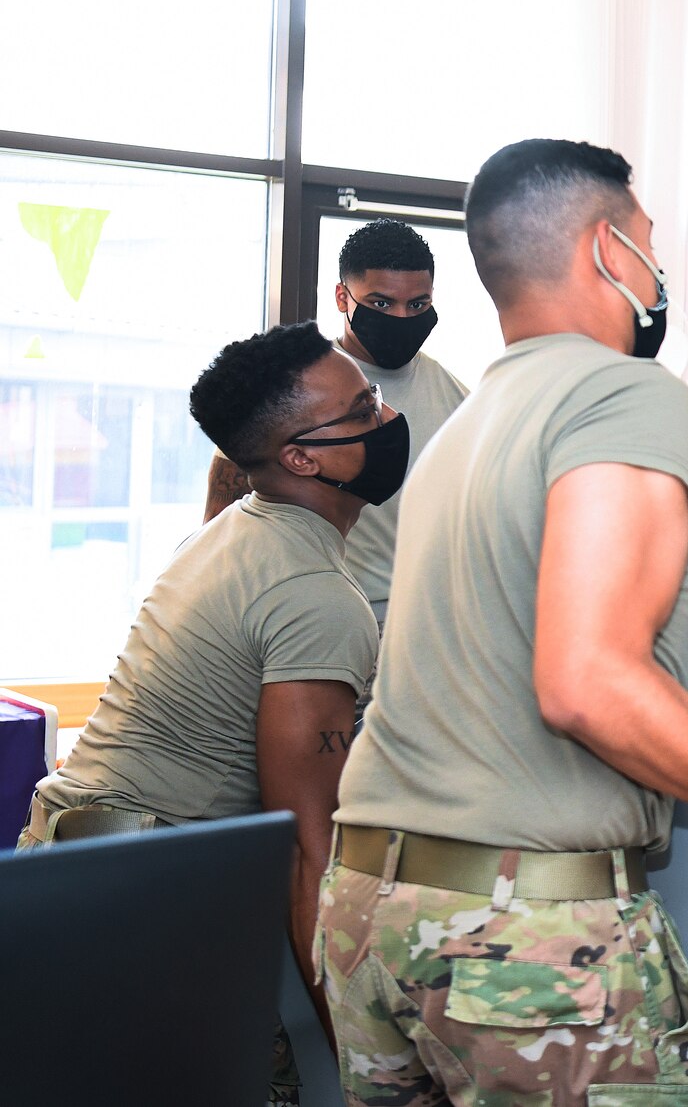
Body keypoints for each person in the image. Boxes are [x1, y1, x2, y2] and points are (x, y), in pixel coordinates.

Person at [323, 139, 688, 1107]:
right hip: (522, 933)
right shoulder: (622, 393)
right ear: (608, 248)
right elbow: (587, 677)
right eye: (647, 241)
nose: (656, 266)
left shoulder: (463, 425)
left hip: (371, 911)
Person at [20, 322, 404, 1104]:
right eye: (363, 409)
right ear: (298, 457)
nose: (388, 417)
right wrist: (366, 1069)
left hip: (72, 877)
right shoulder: (317, 599)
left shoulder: (236, 528)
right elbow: (308, 849)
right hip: (139, 910)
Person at [206, 218, 469, 630]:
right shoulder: (288, 387)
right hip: (318, 615)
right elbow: (222, 523)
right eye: (382, 303)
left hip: (426, 624)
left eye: (417, 304)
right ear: (342, 297)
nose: (401, 317)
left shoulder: (458, 398)